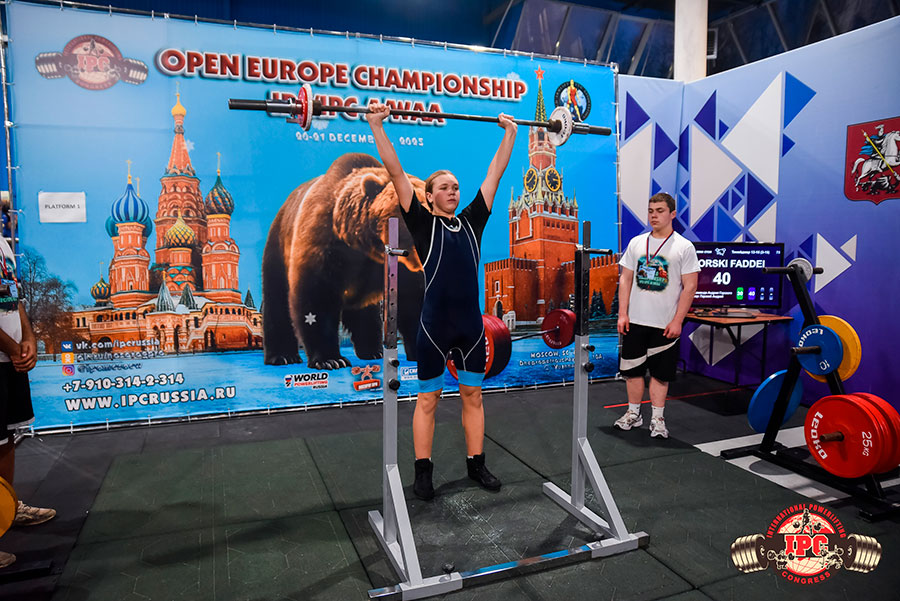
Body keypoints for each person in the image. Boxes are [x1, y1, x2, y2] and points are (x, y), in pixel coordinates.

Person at [366, 103, 517, 500]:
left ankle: (476, 464)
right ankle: (423, 473)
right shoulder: (421, 222)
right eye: (445, 188)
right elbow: (396, 172)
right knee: (428, 400)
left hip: (471, 328)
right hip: (434, 329)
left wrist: (511, 133)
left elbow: (495, 173)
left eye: (455, 187)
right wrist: (377, 126)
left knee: (473, 396)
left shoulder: (472, 222)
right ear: (429, 196)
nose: (452, 191)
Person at [614, 193, 699, 438]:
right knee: (632, 372)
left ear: (672, 214)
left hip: (665, 324)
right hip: (635, 321)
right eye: (651, 210)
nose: (654, 215)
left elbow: (690, 286)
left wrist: (678, 320)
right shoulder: (637, 243)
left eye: (660, 211)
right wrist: (622, 313)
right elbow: (625, 279)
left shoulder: (684, 247)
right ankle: (633, 414)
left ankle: (657, 419)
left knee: (661, 375)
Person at [0, 236, 56, 568]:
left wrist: (29, 336)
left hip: (9, 360)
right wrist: (12, 347)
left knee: (5, 438)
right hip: (6, 354)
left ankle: (6, 509)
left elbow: (12, 296)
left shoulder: (3, 244)